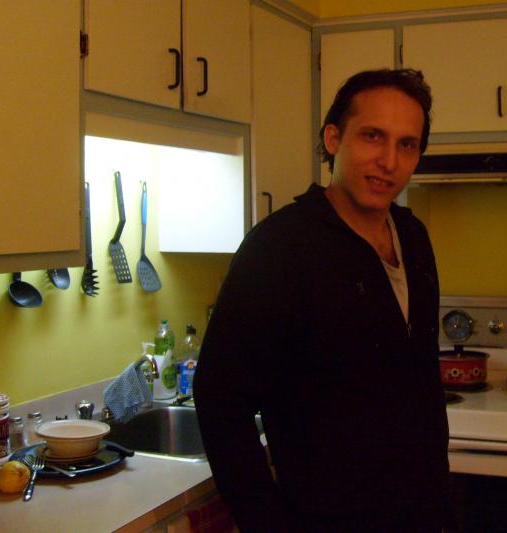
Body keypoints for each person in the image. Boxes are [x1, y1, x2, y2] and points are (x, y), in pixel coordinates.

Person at [194, 69, 450, 533]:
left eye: (407, 144)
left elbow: (421, 381)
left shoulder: (413, 237)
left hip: (420, 514)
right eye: (373, 136)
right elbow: (220, 403)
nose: (389, 161)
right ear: (334, 139)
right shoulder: (279, 248)